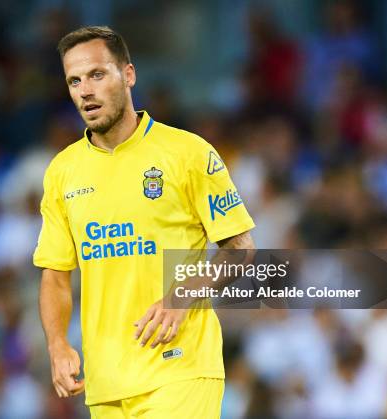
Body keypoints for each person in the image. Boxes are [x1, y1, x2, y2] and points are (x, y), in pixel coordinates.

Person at [33, 26, 255, 418]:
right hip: (106, 384)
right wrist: (57, 344)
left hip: (181, 368)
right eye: (74, 81)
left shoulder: (187, 153)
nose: (85, 90)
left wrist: (179, 299)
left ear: (129, 75)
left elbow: (240, 250)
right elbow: (54, 274)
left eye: (98, 75)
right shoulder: (62, 172)